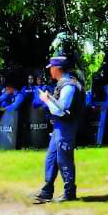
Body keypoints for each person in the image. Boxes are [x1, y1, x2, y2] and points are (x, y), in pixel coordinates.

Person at [33, 55, 85, 203]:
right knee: (52, 158)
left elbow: (62, 110)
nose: (50, 71)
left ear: (56, 69)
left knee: (64, 159)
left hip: (65, 127)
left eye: (51, 68)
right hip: (59, 127)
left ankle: (69, 193)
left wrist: (46, 100)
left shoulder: (68, 86)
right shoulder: (65, 83)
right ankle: (46, 191)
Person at [85, 73, 108, 145]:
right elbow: (88, 97)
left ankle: (99, 142)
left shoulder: (106, 87)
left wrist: (103, 107)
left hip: (103, 106)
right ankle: (90, 140)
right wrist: (91, 106)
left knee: (101, 124)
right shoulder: (92, 86)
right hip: (93, 105)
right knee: (90, 124)